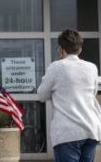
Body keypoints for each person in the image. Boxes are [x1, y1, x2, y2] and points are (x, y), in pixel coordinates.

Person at [38, 29, 101, 162]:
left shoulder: (56, 67)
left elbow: (42, 95)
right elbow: (93, 93)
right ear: (80, 49)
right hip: (91, 130)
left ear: (60, 49)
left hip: (67, 133)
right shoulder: (92, 68)